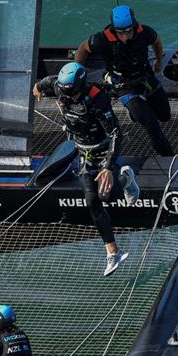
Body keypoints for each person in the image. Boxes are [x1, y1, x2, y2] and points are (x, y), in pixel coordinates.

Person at [34, 62, 140, 275]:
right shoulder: (59, 88)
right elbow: (47, 82)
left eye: (71, 92)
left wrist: (109, 167)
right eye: (64, 91)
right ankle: (113, 253)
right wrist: (37, 88)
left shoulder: (96, 99)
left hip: (102, 150)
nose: (67, 96)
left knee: (107, 196)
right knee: (92, 201)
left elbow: (116, 133)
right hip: (83, 151)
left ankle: (124, 180)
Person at [74, 5, 174, 156]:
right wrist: (78, 72)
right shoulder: (102, 39)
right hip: (124, 85)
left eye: (128, 31)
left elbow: (157, 42)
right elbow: (83, 48)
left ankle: (134, 113)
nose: (125, 36)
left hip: (145, 77)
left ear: (134, 25)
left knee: (165, 115)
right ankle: (170, 160)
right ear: (114, 29)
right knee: (152, 126)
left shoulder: (145, 32)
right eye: (120, 33)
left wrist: (159, 61)